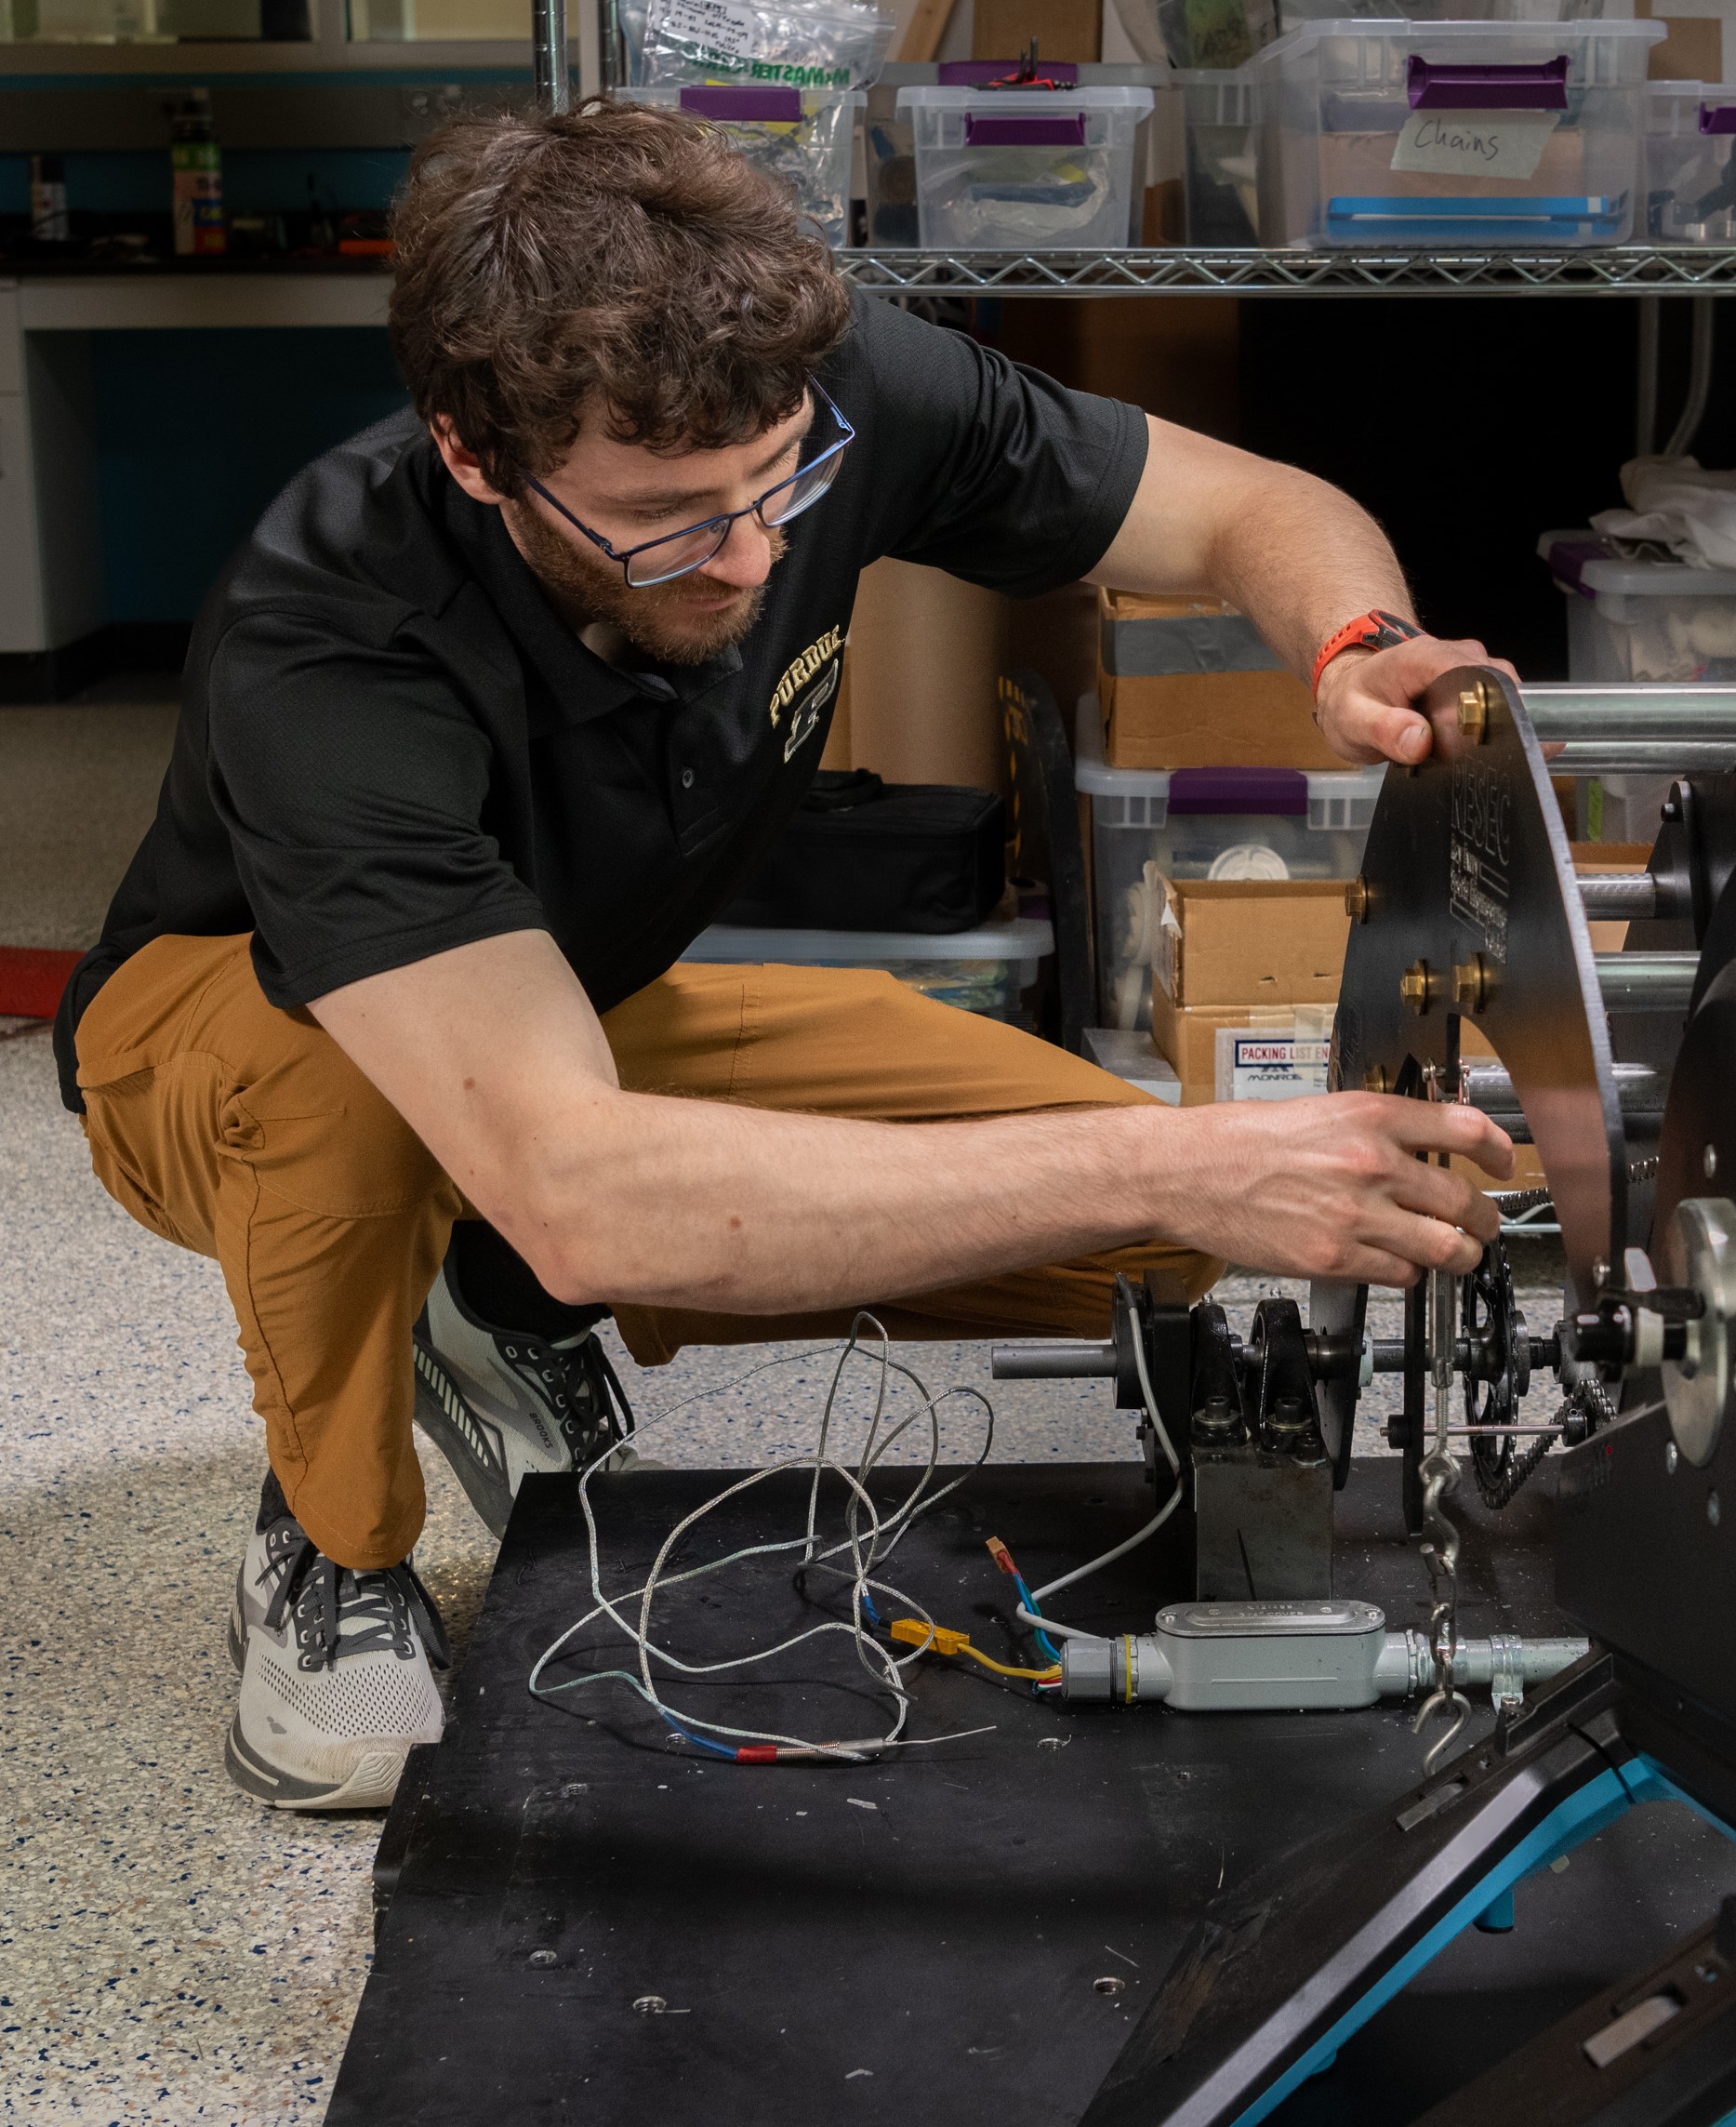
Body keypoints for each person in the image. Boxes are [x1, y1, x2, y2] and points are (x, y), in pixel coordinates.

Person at [52, 100, 1514, 1812]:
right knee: (376, 1103)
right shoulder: (333, 648)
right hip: (236, 1042)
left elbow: (1254, 507)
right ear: (473, 451)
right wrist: (1192, 1146)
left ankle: (486, 1285)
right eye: (668, 522)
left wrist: (1359, 642)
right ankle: (326, 1553)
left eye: (781, 487)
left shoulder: (819, 384)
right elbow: (587, 1182)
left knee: (1148, 1239)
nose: (752, 557)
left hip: (576, 1009)